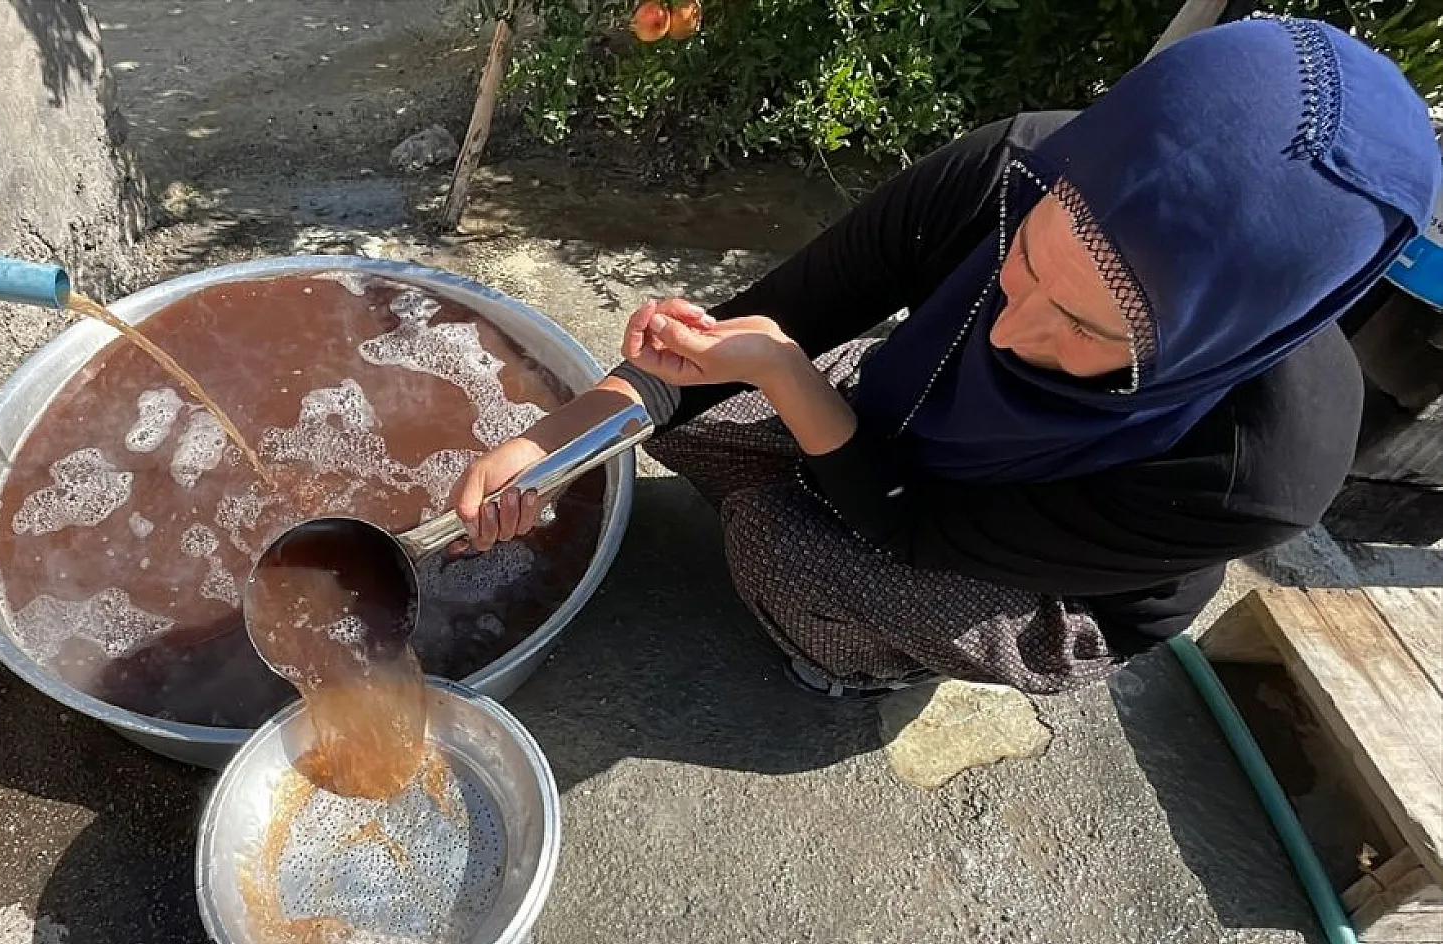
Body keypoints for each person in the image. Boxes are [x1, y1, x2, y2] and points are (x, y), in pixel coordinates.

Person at [447, 16, 1440, 698]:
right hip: (913, 418)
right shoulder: (1015, 167)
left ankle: (862, 662)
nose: (1011, 333)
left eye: (1088, 332)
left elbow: (916, 528)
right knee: (689, 429)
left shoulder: (1253, 475)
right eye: (1025, 261)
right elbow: (771, 312)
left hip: (1032, 571)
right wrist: (550, 440)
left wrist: (787, 375)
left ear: (1213, 344)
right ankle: (815, 476)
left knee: (779, 555)